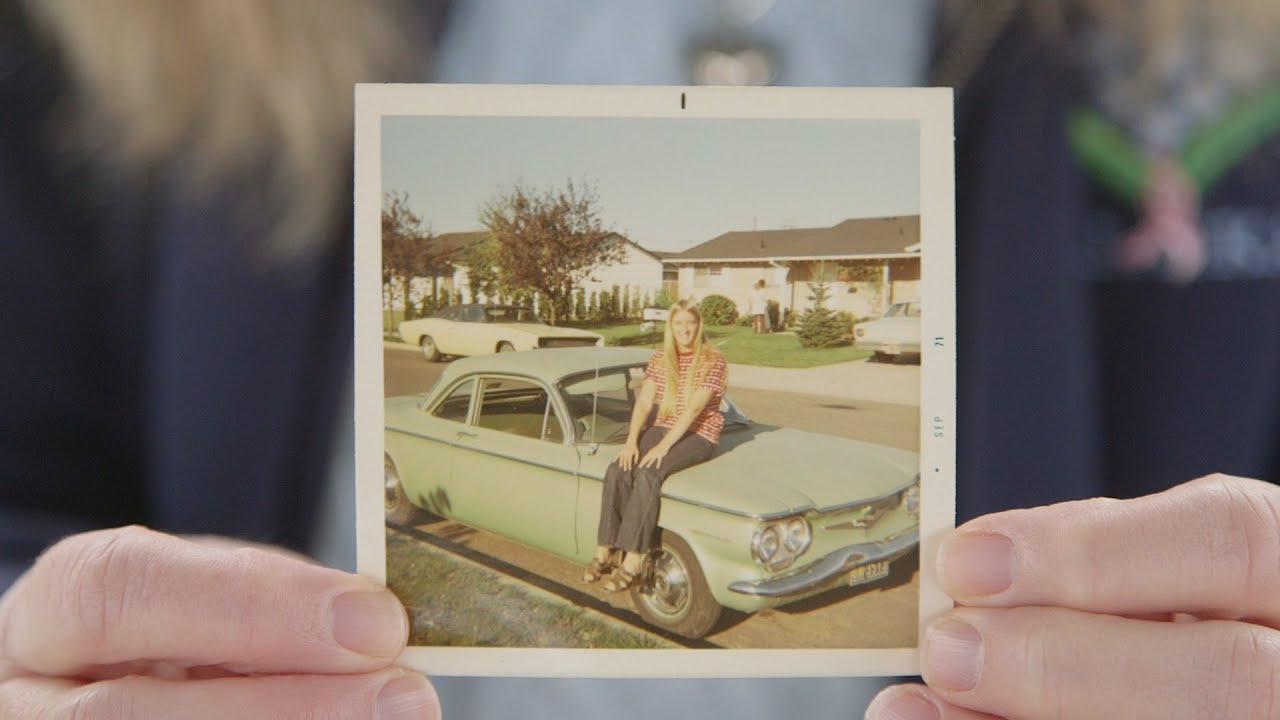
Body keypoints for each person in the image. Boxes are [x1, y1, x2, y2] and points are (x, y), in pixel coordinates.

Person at [584, 301, 728, 592]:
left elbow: (693, 411)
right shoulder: (661, 359)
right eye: (679, 324)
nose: (685, 329)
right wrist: (631, 442)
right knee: (618, 469)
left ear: (699, 325)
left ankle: (634, 559)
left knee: (650, 472)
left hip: (700, 434)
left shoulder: (714, 360)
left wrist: (663, 446)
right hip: (663, 426)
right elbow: (645, 403)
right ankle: (605, 550)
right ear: (671, 328)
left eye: (690, 323)